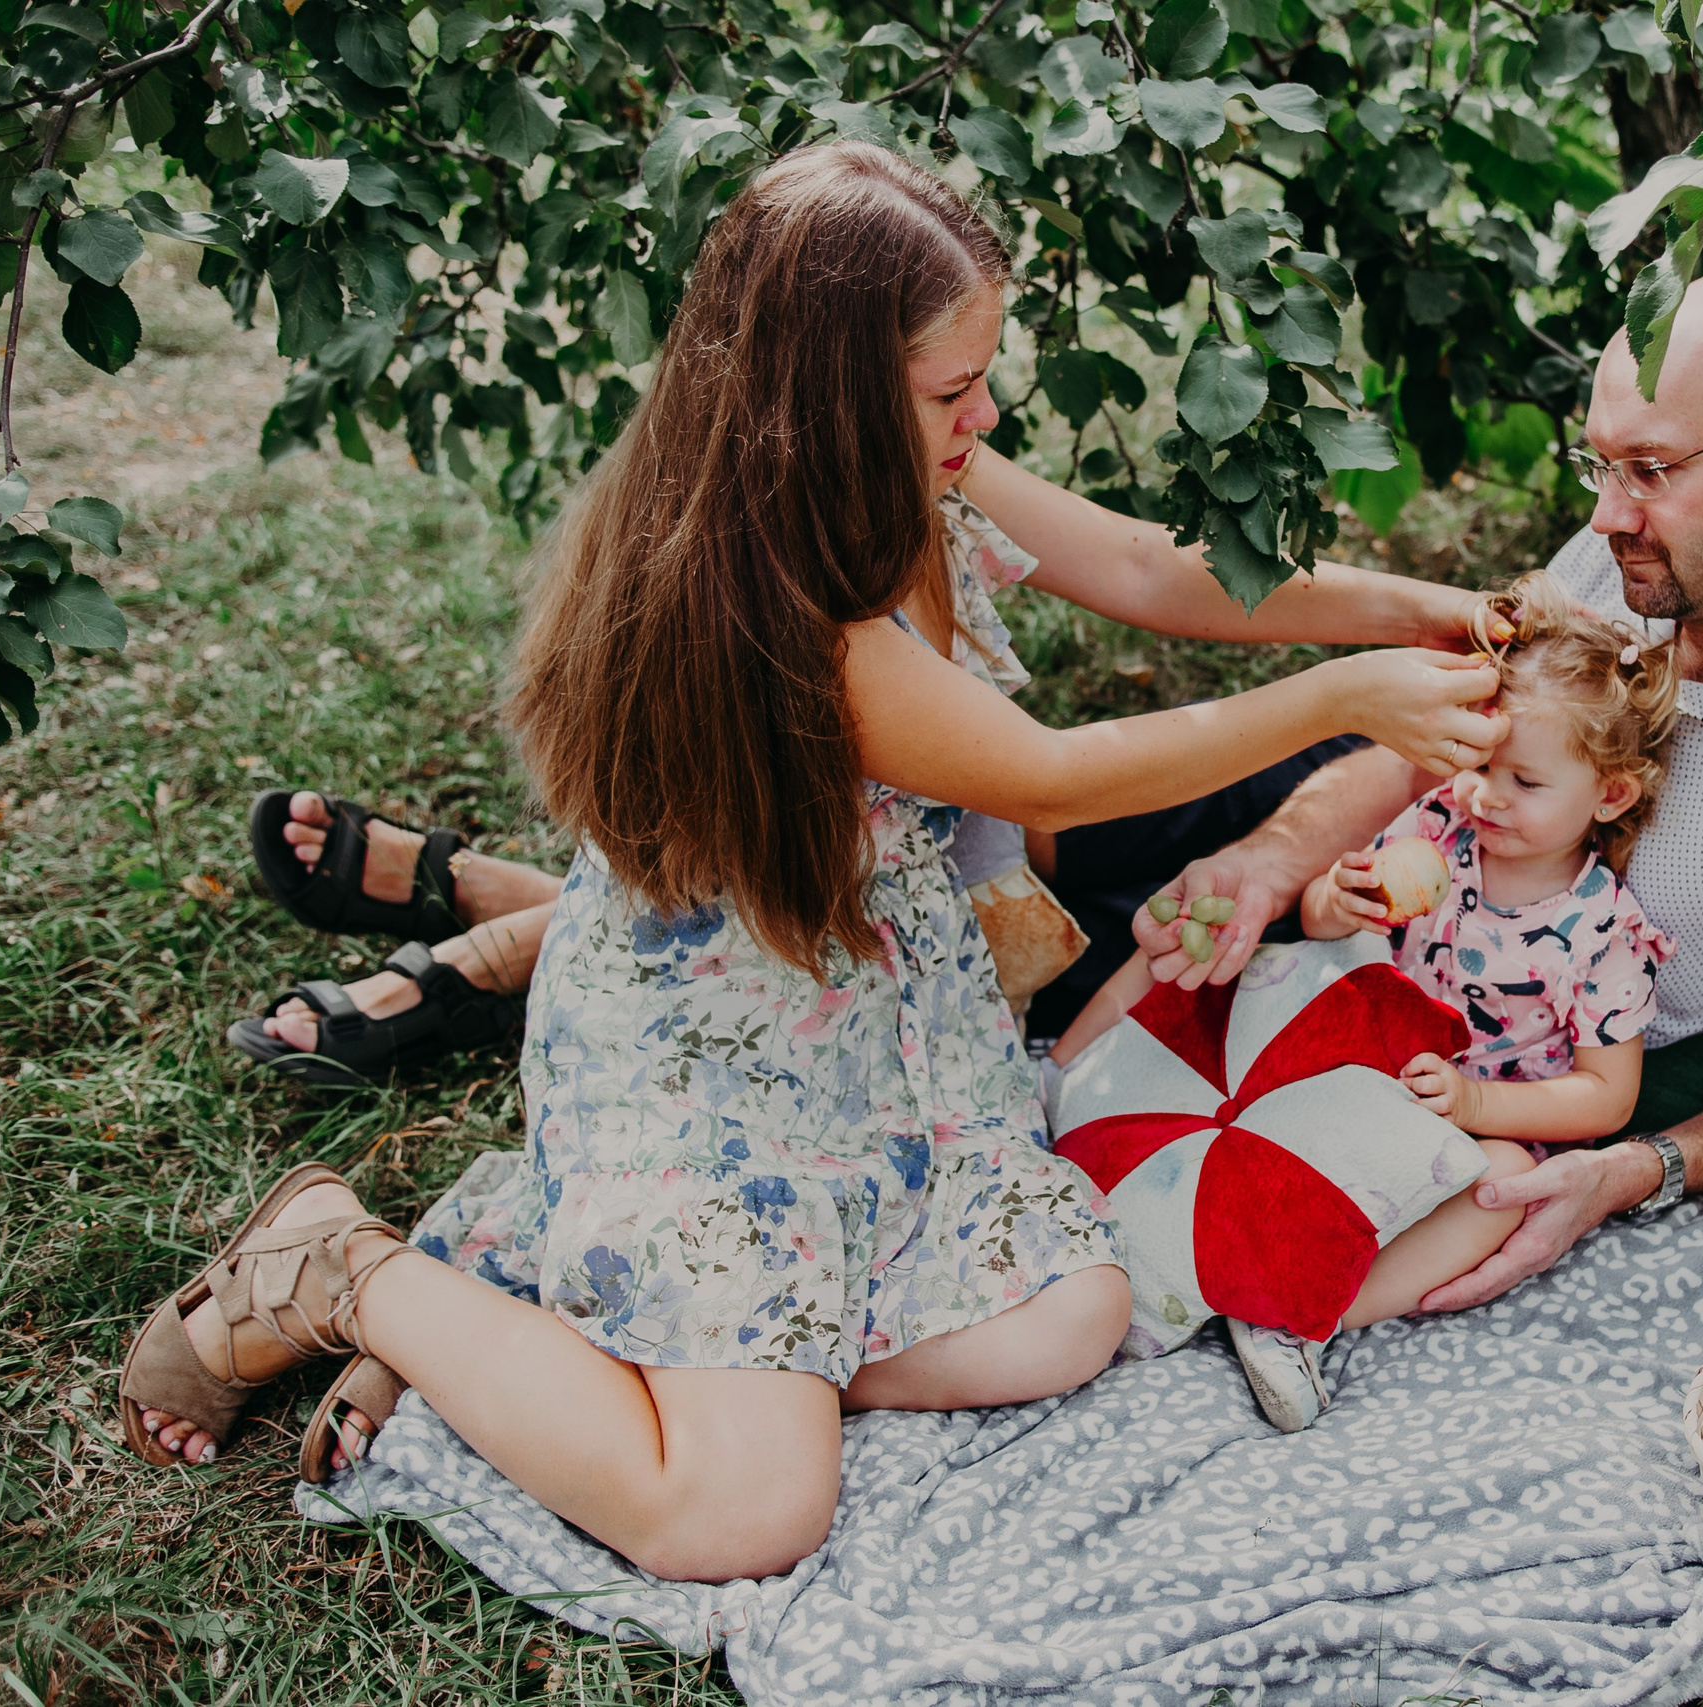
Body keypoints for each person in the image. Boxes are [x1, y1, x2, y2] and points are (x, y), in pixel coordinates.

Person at [119, 143, 1512, 1583]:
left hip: (866, 1048)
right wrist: (1344, 696)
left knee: (1074, 1311)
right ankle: (343, 1266)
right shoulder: (781, 604)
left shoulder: (900, 459)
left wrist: (1434, 611)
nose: (986, 411)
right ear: (832, 396)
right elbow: (1044, 771)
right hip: (714, 1081)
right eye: (952, 387)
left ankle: (587, 1350)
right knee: (743, 1515)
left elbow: (1154, 569)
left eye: (984, 375)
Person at [1117, 274, 1703, 1319]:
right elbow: (1433, 756)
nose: (1603, 518)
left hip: (1549, 1052)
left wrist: (1631, 1170)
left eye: (1647, 470)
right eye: (1598, 463)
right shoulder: (1621, 574)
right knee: (1124, 868)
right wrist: (1280, 867)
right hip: (1420, 913)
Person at [1051, 570, 1683, 1429]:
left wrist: (1476, 1100)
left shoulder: (1602, 931)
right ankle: (1068, 1077)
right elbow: (1318, 922)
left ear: (1609, 794)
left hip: (1458, 1118)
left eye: (1526, 783)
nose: (1488, 795)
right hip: (1341, 1048)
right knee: (1210, 941)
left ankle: (1305, 1315)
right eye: (1480, 764)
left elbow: (1610, 1094)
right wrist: (1333, 900)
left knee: (1507, 1184)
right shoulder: (1440, 827)